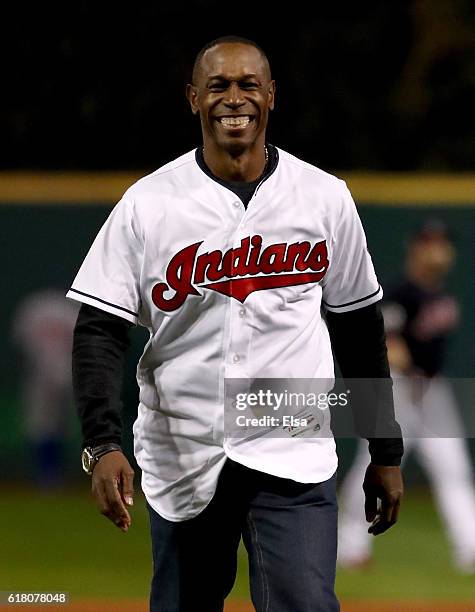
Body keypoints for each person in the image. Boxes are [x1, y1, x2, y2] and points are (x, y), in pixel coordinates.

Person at [67, 36, 404, 612]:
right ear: (193, 97)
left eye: (248, 84)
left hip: (292, 445)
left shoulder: (323, 197)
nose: (234, 98)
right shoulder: (149, 203)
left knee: (304, 602)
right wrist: (101, 442)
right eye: (218, 85)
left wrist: (386, 448)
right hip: (185, 449)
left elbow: (357, 326)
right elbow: (100, 328)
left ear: (272, 95)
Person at [338, 219, 475, 574]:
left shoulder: (440, 294)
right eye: (432, 242)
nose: (440, 249)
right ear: (416, 247)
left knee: (454, 470)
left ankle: (470, 548)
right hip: (400, 389)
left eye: (444, 242)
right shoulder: (401, 292)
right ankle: (350, 546)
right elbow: (388, 343)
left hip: (434, 391)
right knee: (372, 466)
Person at [12, 288, 79, 486]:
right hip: (59, 373)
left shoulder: (34, 307)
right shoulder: (68, 309)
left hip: (45, 373)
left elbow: (20, 344)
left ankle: (51, 474)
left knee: (48, 425)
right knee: (49, 425)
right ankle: (50, 474)